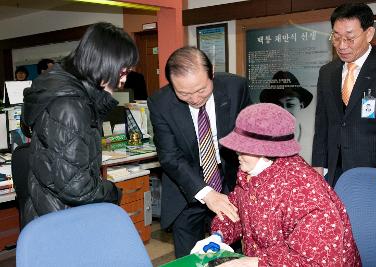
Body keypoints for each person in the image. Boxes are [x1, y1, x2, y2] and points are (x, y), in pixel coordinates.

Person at [192, 103, 361, 266]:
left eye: (243, 148)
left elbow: (316, 261)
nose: (237, 153)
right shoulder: (250, 172)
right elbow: (236, 209)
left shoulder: (304, 191)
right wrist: (219, 234)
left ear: (267, 151)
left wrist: (254, 263)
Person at [21, 22, 139, 226]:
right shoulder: (70, 106)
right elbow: (75, 186)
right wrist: (112, 191)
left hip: (52, 209)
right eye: (122, 72)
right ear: (104, 63)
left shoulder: (62, 89)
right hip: (62, 217)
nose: (123, 80)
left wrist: (102, 96)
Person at [148, 46, 251, 258]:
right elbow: (170, 157)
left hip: (229, 183)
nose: (195, 99)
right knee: (190, 258)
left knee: (233, 255)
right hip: (186, 188)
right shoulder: (161, 103)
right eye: (184, 94)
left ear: (211, 72)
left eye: (201, 90)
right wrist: (206, 193)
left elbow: (250, 136)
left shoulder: (235, 87)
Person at [312, 3, 376, 187]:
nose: (342, 45)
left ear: (369, 34)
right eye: (336, 37)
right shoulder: (327, 72)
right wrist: (318, 163)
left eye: (350, 38)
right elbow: (322, 123)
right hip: (334, 170)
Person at [259, 70, 313, 141]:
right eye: (278, 105)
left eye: (290, 105)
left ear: (301, 104)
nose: (284, 112)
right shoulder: (261, 141)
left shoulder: (312, 142)